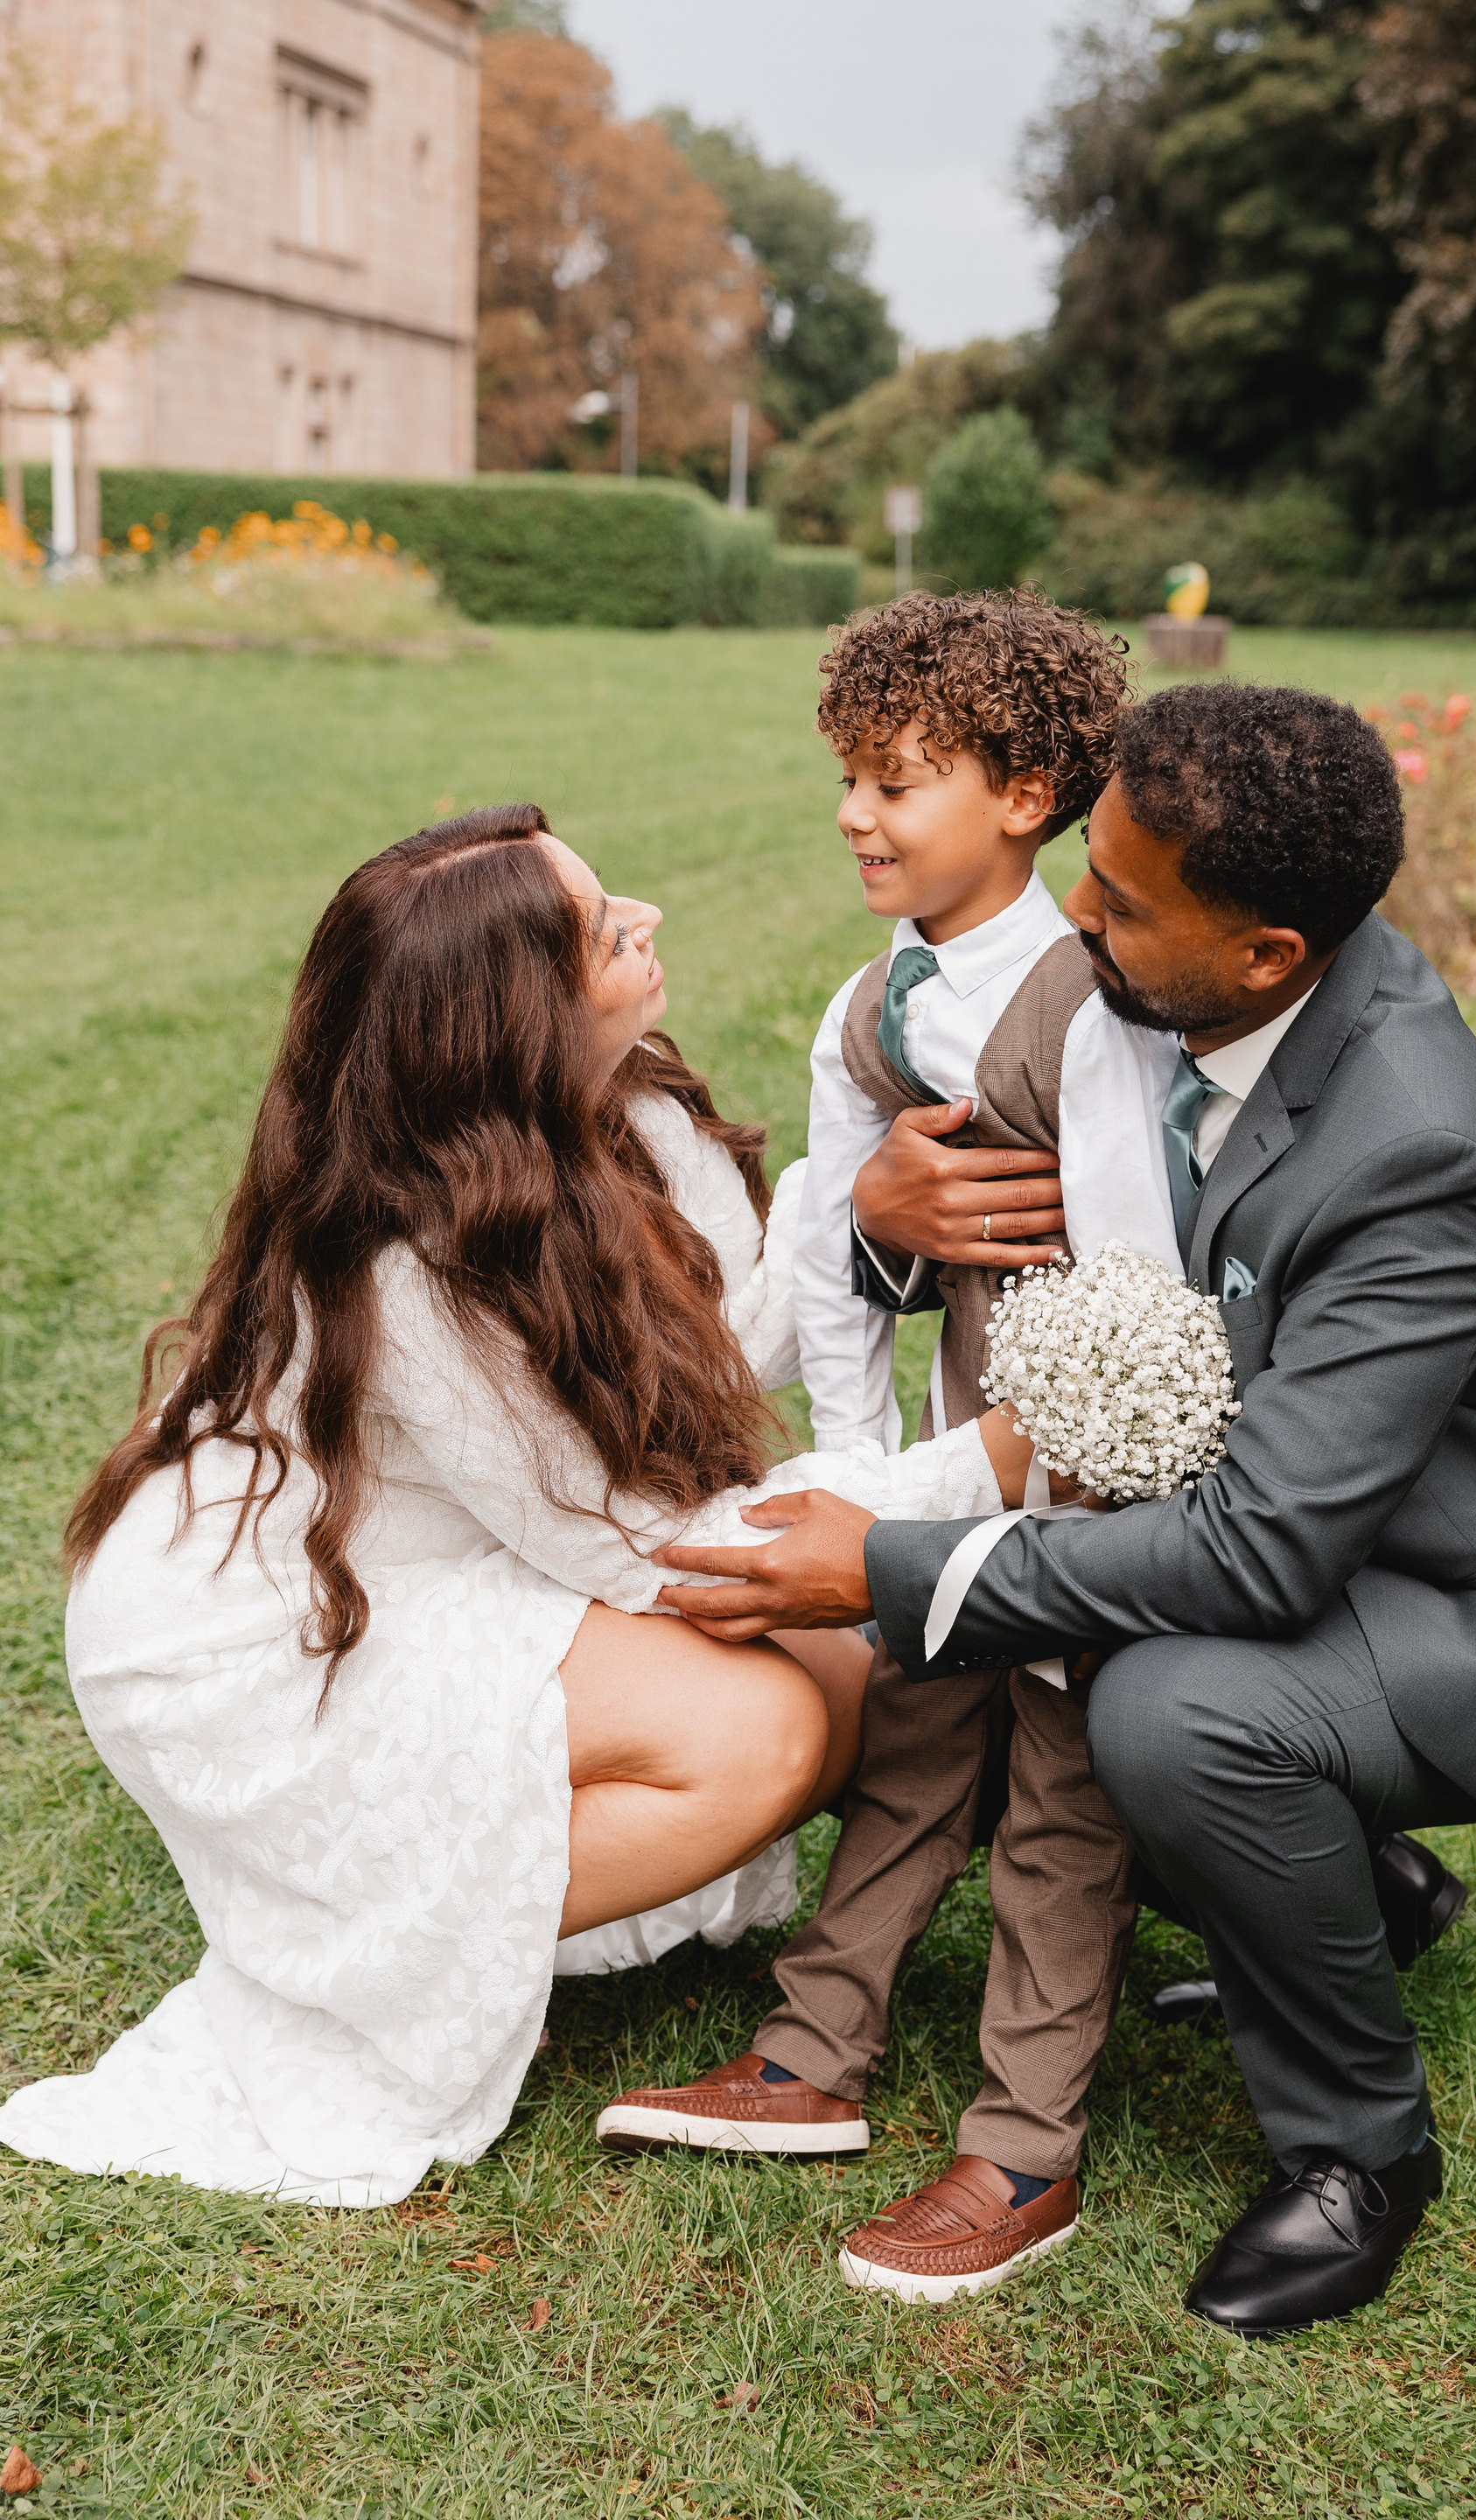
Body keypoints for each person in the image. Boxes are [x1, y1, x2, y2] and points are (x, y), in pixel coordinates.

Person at [649, 683, 1476, 2338]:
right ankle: (1354, 1889)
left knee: (1168, 1713)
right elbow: (1015, 1195)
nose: (1074, 918)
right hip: (1269, 1531)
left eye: (1114, 901)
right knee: (1050, 1686)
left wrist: (891, 1568)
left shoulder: (1415, 1147)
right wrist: (884, 1217)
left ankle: (1363, 2151)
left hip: (1453, 1607)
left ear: (1265, 955)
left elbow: (1263, 1547)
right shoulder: (1175, 995)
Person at [0, 806, 1043, 2209]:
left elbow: (711, 1351)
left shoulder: (629, 1110)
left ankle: (472, 1880)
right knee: (762, 1732)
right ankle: (397, 1956)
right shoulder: (404, 1261)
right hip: (259, 1623)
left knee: (859, 1684)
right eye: (605, 932)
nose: (647, 920)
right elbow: (650, 1553)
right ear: (513, 1021)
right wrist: (989, 1462)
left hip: (482, 1540)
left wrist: (855, 1216)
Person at [597, 593, 1180, 2305]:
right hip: (940, 1465)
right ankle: (812, 2056)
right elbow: (837, 1261)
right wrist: (860, 1470)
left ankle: (1024, 2148)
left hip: (1090, 1471)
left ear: (1026, 796)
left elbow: (1140, 1292)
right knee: (919, 1733)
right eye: (847, 776)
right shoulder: (867, 1009)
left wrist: (967, 1490)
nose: (855, 813)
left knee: (1061, 1792)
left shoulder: (1096, 1009)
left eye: (898, 781)